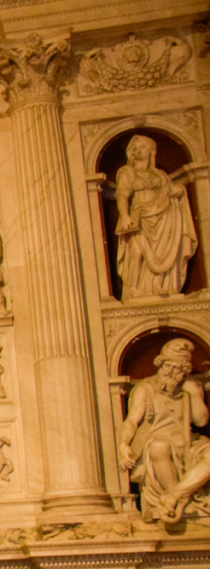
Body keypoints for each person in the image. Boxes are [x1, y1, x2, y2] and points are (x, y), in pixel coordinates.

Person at [119, 337, 210, 522]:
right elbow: (132, 421)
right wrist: (123, 444)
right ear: (160, 364)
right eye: (167, 366)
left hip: (188, 442)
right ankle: (176, 501)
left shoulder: (192, 387)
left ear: (185, 370)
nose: (171, 372)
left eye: (178, 368)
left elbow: (201, 421)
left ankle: (175, 495)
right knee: (159, 446)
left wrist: (194, 394)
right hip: (156, 441)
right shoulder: (145, 388)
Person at [115, 134, 198, 299]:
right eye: (134, 148)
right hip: (140, 218)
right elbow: (122, 194)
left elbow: (173, 189)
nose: (138, 151)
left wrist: (177, 190)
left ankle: (159, 286)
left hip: (164, 217)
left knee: (162, 251)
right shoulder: (127, 172)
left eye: (142, 147)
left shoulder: (160, 174)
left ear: (152, 151)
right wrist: (124, 215)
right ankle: (133, 288)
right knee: (137, 250)